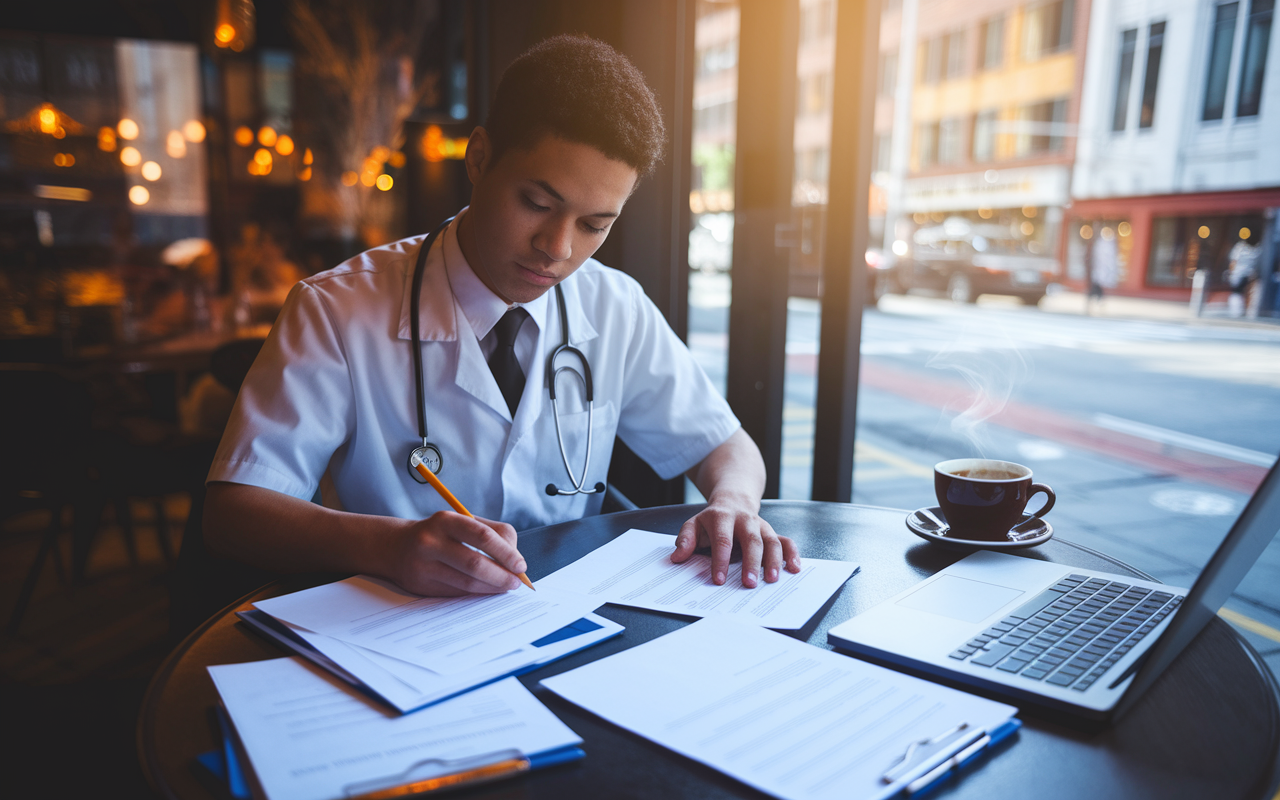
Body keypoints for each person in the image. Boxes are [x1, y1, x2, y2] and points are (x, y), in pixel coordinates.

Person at [203, 35, 799, 598]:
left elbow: (728, 448)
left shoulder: (615, 306)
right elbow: (235, 514)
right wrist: (389, 546)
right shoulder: (337, 309)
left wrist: (734, 504)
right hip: (388, 622)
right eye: (537, 203)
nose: (558, 247)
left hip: (551, 614)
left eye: (595, 225)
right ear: (479, 157)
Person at [1226, 236, 1259, 318]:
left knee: (1237, 292)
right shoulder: (1257, 249)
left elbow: (1234, 261)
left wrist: (1231, 273)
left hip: (1239, 273)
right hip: (1249, 274)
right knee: (1246, 293)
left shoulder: (1240, 247)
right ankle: (1245, 311)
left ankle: (1237, 311)